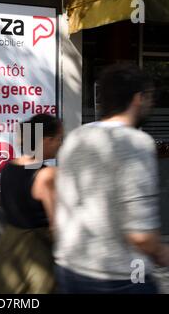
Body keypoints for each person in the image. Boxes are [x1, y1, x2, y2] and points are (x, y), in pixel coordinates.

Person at [54, 63, 169, 294]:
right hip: (119, 278)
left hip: (69, 267)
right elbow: (140, 234)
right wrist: (162, 253)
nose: (152, 103)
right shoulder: (135, 143)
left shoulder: (77, 136)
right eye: (150, 96)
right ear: (138, 98)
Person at [0, 114, 63, 294]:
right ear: (46, 140)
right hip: (35, 253)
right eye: (59, 138)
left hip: (7, 247)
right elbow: (55, 226)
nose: (60, 144)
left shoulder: (8, 168)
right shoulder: (47, 175)